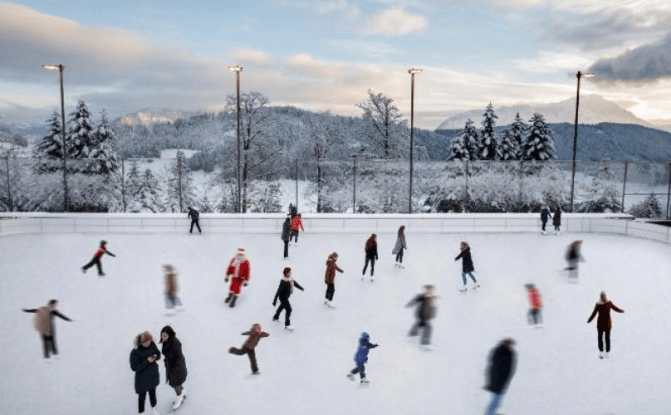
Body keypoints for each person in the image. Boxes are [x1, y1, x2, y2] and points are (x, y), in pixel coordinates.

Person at [130, 331, 161, 415]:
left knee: (153, 394)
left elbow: (158, 353)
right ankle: (142, 413)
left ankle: (154, 409)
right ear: (141, 342)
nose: (148, 344)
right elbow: (134, 367)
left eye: (149, 342)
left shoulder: (152, 345)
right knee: (142, 397)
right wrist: (147, 361)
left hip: (152, 375)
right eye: (146, 343)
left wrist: (155, 357)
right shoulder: (135, 352)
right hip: (142, 379)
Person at [484, 338, 517, 415]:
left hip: (497, 380)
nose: (513, 347)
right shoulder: (506, 353)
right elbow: (504, 368)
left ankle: (490, 413)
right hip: (499, 381)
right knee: (496, 401)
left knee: (496, 400)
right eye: (512, 345)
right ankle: (489, 413)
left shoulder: (500, 351)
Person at [587, 291, 624, 359]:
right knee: (601, 338)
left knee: (606, 338)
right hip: (601, 324)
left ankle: (606, 352)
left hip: (606, 324)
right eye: (602, 296)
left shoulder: (608, 303)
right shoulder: (599, 304)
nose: (603, 297)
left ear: (605, 296)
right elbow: (594, 313)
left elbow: (615, 308)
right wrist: (589, 319)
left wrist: (621, 310)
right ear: (600, 297)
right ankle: (602, 352)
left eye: (604, 296)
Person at [160, 326, 188, 410]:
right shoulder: (167, 341)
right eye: (162, 335)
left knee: (176, 383)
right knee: (177, 382)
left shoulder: (175, 343)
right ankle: (183, 393)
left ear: (169, 334)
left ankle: (180, 396)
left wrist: (172, 367)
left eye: (165, 335)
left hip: (176, 367)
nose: (163, 337)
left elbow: (178, 357)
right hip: (172, 366)